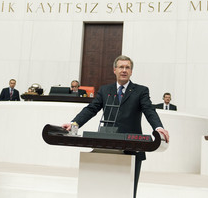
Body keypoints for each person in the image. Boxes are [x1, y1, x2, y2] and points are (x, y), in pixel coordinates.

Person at [62, 55, 169, 198]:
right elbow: (91, 109)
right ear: (114, 70)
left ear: (131, 71)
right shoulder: (105, 90)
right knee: (107, 189)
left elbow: (149, 110)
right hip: (107, 147)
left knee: (129, 191)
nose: (124, 70)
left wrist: (158, 128)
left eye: (127, 67)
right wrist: (74, 123)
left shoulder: (141, 91)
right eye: (121, 67)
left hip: (133, 147)